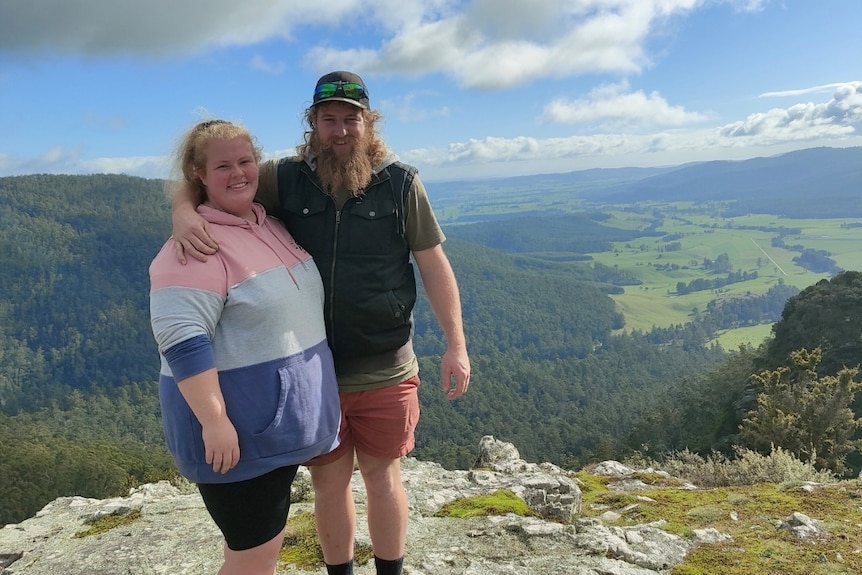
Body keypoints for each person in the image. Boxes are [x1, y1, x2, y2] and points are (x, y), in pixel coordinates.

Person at [171, 71, 471, 575]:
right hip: (315, 371)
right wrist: (183, 211)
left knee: (383, 476)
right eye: (327, 119)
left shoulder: (401, 182)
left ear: (368, 122)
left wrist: (456, 345)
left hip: (385, 366)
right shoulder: (285, 177)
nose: (339, 130)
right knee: (329, 484)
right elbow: (219, 181)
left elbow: (433, 263)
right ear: (312, 123)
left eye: (350, 119)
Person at [150, 119, 341, 575]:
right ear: (198, 174)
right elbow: (182, 341)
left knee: (262, 554)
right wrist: (215, 423)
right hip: (236, 441)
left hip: (269, 434)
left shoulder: (268, 225)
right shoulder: (194, 247)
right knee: (251, 561)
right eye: (222, 166)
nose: (238, 173)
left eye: (244, 161)